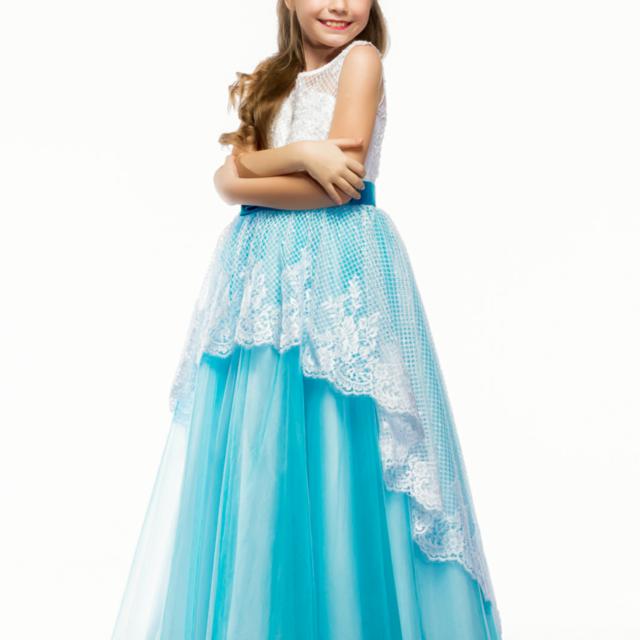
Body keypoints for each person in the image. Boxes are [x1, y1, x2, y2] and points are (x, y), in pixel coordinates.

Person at [112, 1, 502, 638]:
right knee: (265, 457)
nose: (339, 5)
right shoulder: (267, 80)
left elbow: (333, 185)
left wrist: (254, 172)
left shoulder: (361, 61)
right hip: (263, 289)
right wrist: (297, 153)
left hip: (335, 274)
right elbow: (224, 180)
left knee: (335, 448)